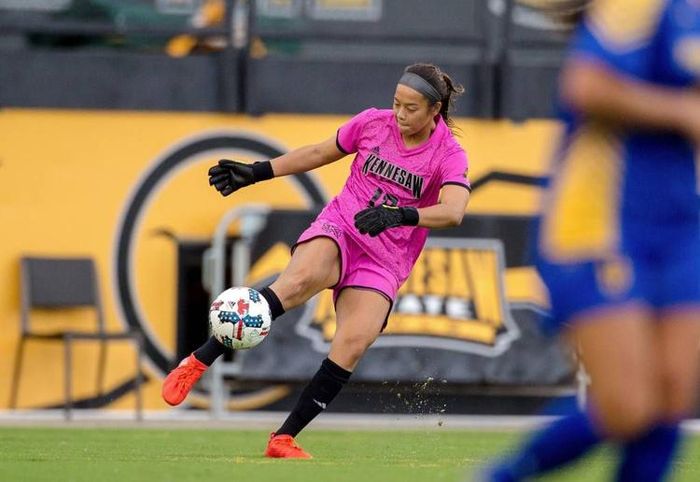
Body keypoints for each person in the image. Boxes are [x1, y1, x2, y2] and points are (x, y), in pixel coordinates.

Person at [161, 63, 472, 458]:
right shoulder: (373, 123)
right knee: (295, 283)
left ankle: (284, 438)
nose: (399, 114)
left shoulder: (448, 153)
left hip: (385, 258)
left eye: (411, 108)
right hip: (341, 227)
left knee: (354, 341)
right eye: (396, 103)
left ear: (435, 110)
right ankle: (199, 360)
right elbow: (318, 153)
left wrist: (402, 215)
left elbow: (454, 210)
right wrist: (256, 172)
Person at [483, 0, 700, 481]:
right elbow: (587, 85)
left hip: (683, 225)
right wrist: (682, 112)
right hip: (602, 222)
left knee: (671, 397)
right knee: (628, 406)